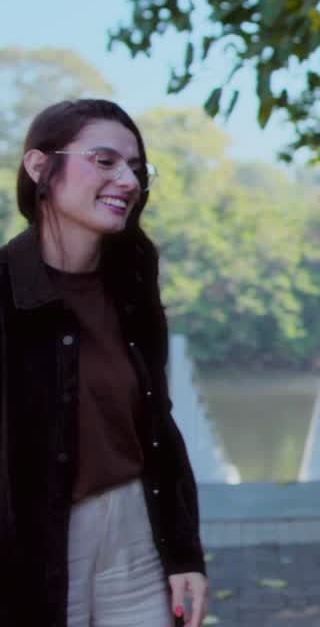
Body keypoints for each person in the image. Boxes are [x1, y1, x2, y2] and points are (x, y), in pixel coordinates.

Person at [0, 99, 208, 626]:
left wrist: (184, 553)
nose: (128, 181)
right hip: (32, 554)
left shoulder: (133, 284)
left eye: (137, 169)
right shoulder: (6, 289)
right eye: (105, 160)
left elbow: (158, 424)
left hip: (138, 533)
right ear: (39, 167)